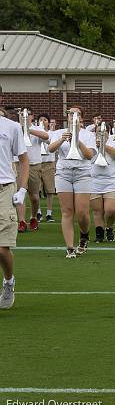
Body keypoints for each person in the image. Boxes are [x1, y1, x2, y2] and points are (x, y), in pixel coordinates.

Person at [47, 106, 97, 258]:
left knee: (82, 212)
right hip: (64, 173)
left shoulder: (88, 135)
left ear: (81, 118)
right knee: (67, 211)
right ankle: (69, 247)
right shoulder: (58, 133)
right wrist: (63, 138)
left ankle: (84, 236)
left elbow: (89, 155)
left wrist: (77, 140)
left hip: (83, 173)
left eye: (77, 114)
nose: (73, 116)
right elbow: (50, 149)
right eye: (70, 113)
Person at [0, 112, 28, 309]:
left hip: (5, 187)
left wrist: (23, 189)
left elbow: (24, 160)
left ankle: (9, 282)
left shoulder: (11, 126)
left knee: (2, 248)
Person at [90, 121, 115, 243]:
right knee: (97, 210)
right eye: (98, 132)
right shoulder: (90, 143)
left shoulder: (114, 144)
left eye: (103, 132)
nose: (101, 134)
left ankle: (109, 227)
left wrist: (105, 146)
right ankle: (99, 234)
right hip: (94, 181)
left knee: (110, 210)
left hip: (112, 181)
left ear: (108, 134)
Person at [21, 108, 49, 232]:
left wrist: (28, 130)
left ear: (32, 116)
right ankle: (21, 221)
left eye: (27, 115)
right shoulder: (15, 127)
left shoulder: (37, 128)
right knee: (20, 194)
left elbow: (46, 137)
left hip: (34, 165)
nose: (24, 116)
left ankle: (33, 217)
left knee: (34, 197)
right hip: (19, 164)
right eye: (22, 114)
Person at [37, 113, 56, 223]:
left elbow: (51, 144)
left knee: (50, 190)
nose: (42, 121)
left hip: (49, 163)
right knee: (36, 190)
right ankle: (38, 212)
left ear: (48, 123)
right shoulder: (36, 132)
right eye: (40, 119)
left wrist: (43, 135)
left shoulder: (52, 133)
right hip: (38, 163)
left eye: (45, 120)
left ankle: (49, 213)